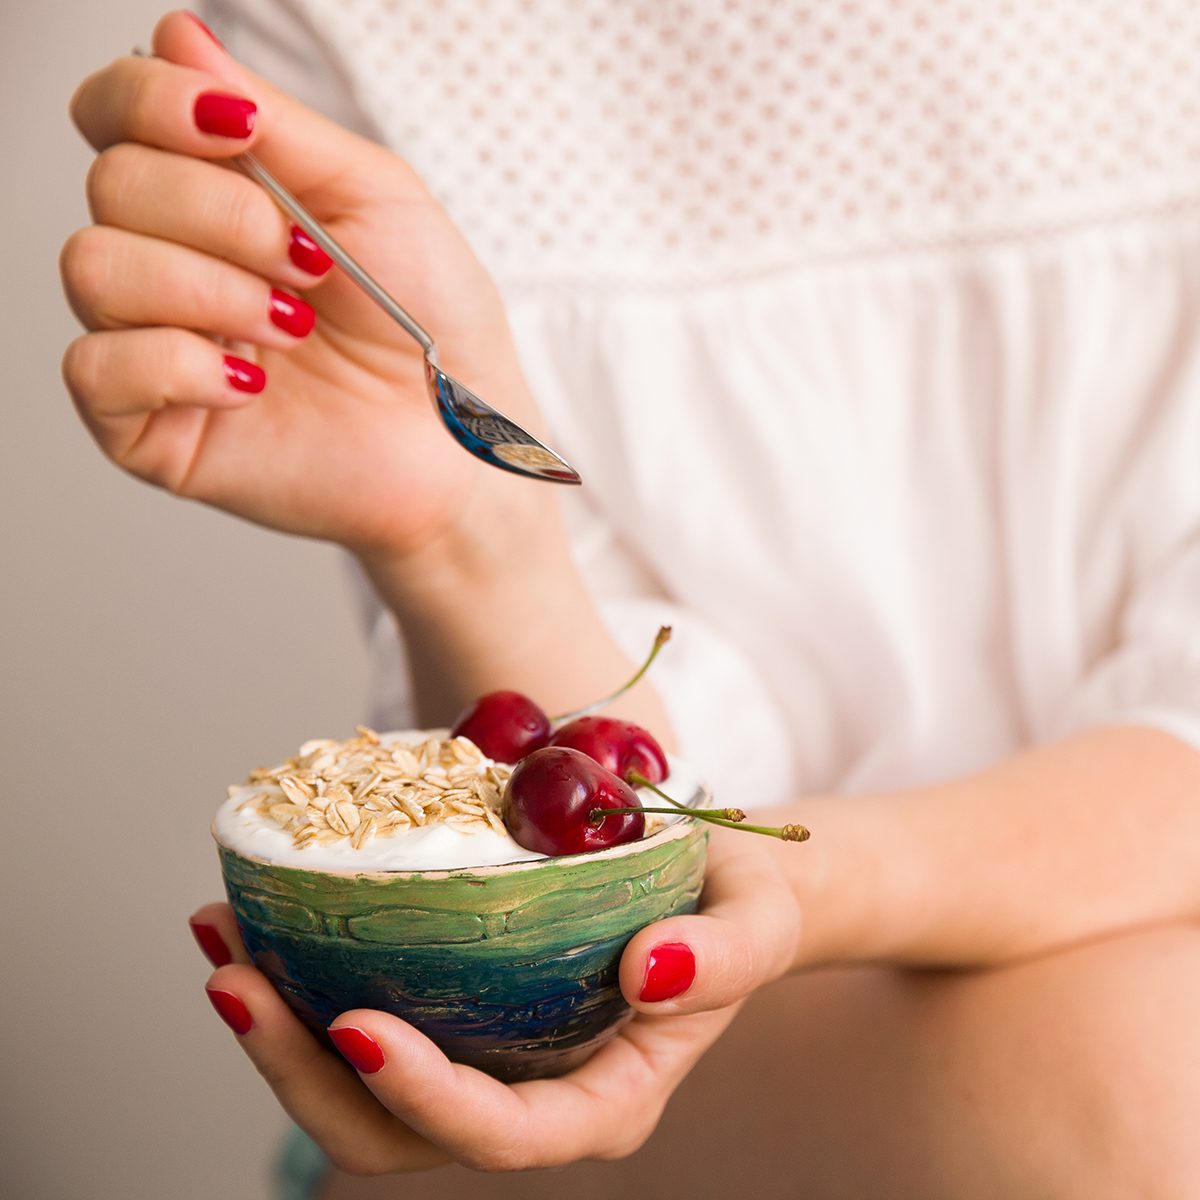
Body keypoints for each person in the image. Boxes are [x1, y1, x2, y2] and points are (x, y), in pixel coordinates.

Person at [61, 6, 1200, 1197]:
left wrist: (792, 890)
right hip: (708, 1071)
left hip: (994, 1034)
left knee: (1147, 1075)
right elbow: (597, 835)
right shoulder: (342, 25)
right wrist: (469, 541)